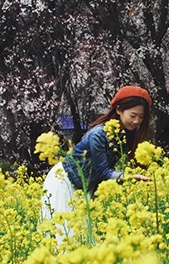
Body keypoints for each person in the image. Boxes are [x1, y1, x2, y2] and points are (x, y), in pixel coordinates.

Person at [41, 85, 152, 243]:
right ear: (119, 110)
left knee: (84, 238)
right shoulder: (99, 134)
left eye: (141, 117)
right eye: (133, 115)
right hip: (65, 181)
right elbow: (103, 170)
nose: (136, 121)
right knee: (66, 237)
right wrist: (126, 178)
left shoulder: (124, 136)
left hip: (83, 187)